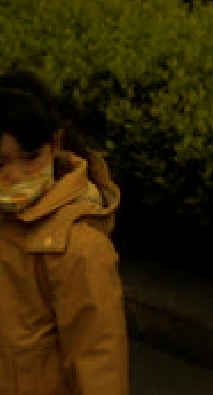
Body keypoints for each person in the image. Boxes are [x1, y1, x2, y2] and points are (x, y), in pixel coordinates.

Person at [0, 70, 128, 395]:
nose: (15, 175)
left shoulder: (78, 245)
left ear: (55, 145)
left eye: (30, 158)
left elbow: (99, 362)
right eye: (0, 163)